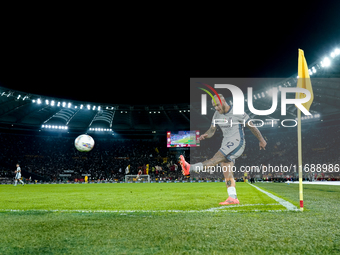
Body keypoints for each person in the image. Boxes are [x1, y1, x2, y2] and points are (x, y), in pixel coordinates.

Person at [179, 94, 267, 205]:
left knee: (217, 157)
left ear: (224, 101)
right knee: (227, 172)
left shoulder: (237, 111)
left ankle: (190, 168)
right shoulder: (216, 115)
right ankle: (233, 198)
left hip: (237, 142)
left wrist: (261, 139)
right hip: (226, 143)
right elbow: (212, 130)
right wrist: (205, 135)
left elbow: (251, 126)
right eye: (214, 106)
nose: (216, 108)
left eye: (217, 105)